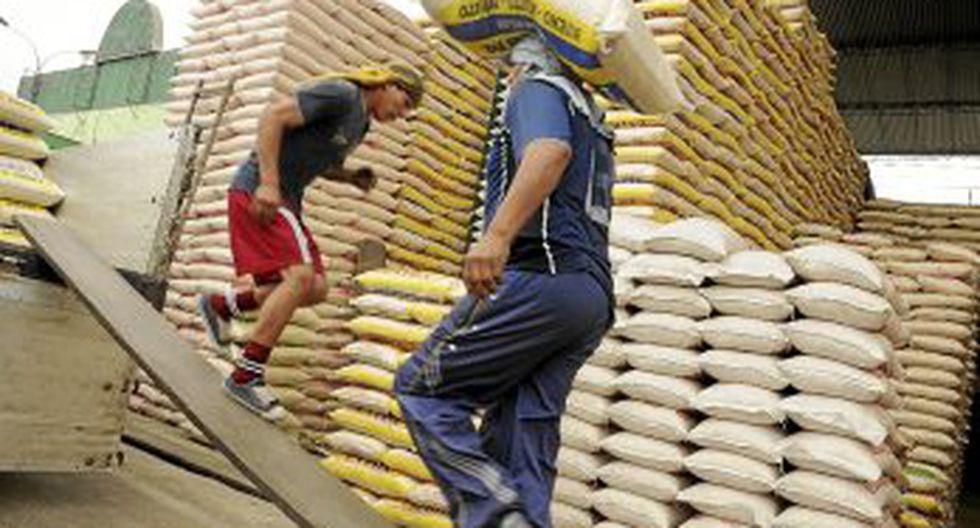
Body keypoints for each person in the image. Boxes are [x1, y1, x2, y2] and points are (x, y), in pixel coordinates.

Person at [394, 37, 615, 528]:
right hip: (589, 296)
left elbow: (549, 151)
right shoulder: (594, 120)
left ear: (523, 62)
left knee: (423, 388)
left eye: (508, 66)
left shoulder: (538, 90)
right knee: (523, 436)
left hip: (542, 276)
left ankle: (494, 512)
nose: (507, 77)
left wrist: (496, 235)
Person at [197, 63, 425, 419]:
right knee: (300, 277)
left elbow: (319, 159)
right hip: (259, 192)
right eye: (406, 101)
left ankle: (223, 305)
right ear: (387, 83)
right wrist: (268, 182)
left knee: (316, 288)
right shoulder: (342, 94)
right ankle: (246, 376)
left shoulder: (360, 124)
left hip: (286, 199)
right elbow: (274, 117)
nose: (403, 113)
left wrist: (349, 176)